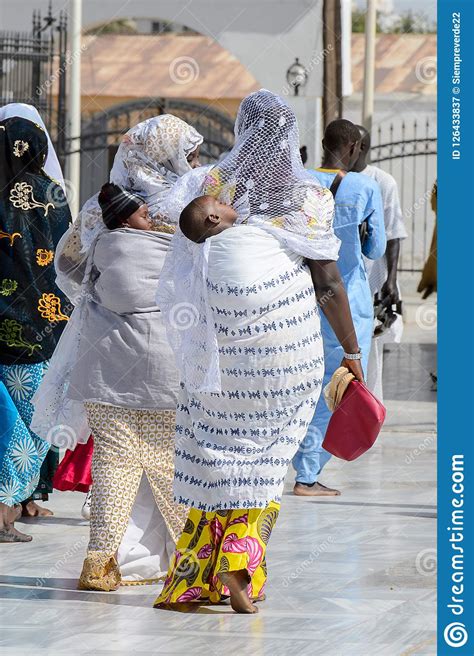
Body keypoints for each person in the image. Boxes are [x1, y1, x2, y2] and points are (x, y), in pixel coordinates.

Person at [154, 90, 364, 613]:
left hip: (219, 352)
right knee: (268, 455)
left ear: (243, 129)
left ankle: (189, 581)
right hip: (284, 350)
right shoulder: (309, 196)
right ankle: (240, 568)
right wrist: (352, 351)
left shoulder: (211, 186)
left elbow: (173, 240)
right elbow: (330, 283)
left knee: (213, 455)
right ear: (291, 137)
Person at [32, 114, 205, 585]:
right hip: (171, 356)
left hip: (105, 356)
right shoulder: (194, 207)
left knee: (114, 459)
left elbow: (66, 266)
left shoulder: (99, 208)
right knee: (172, 459)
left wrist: (101, 288)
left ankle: (101, 561)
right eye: (190, 154)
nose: (196, 162)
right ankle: (188, 561)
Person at [292, 119, 386, 497]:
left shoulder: (300, 181)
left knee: (302, 380)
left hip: (301, 295)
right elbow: (374, 249)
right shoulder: (365, 186)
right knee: (339, 382)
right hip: (347, 300)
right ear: (352, 149)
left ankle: (293, 461)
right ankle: (308, 473)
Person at [0, 113, 71, 533]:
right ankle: (6, 513)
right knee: (36, 424)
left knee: (7, 425)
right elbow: (69, 257)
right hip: (42, 333)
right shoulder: (53, 194)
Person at [351, 124, 408, 402]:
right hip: (338, 283)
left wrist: (392, 279)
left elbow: (394, 233)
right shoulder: (336, 179)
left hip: (372, 280)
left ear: (360, 147)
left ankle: (367, 412)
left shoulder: (382, 181)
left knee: (370, 353)